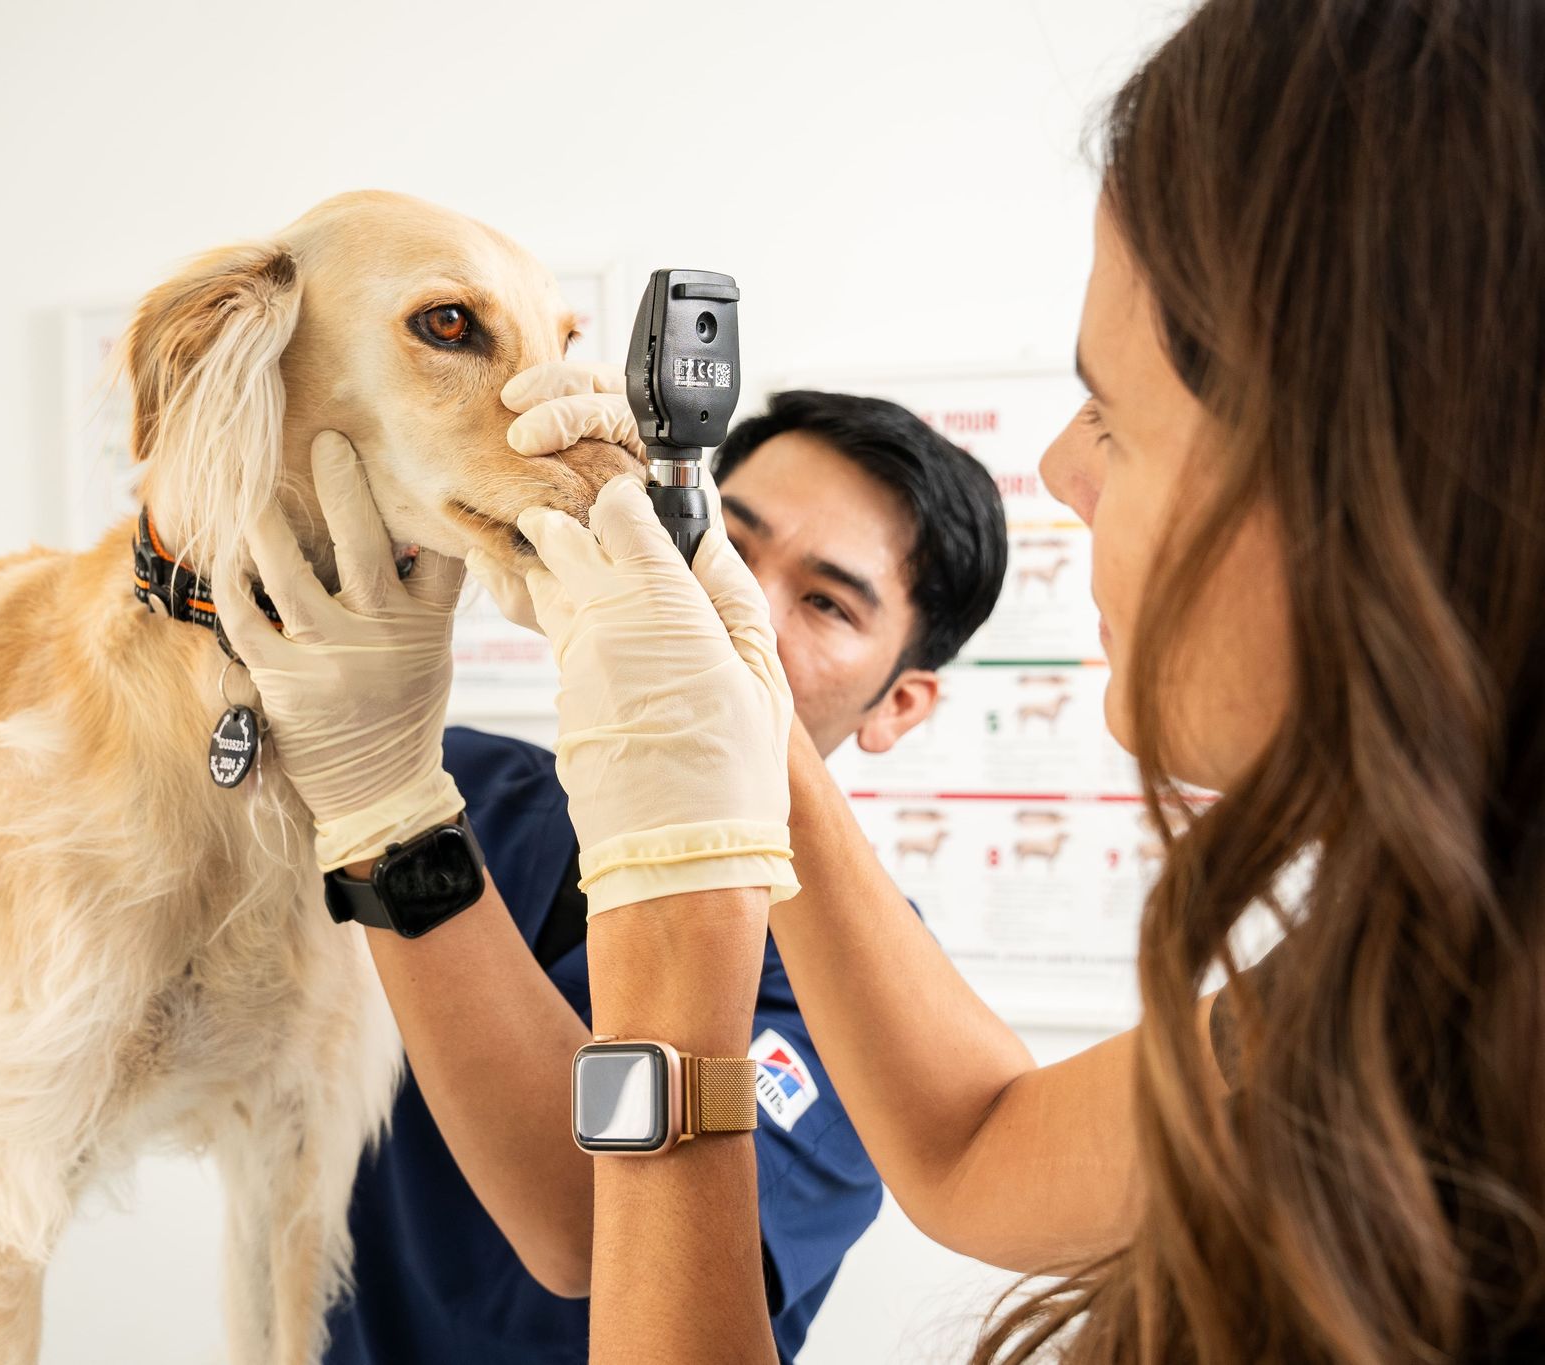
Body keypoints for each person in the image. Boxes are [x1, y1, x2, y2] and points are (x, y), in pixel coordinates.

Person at [237, 0, 1545, 1359]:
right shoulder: (1406, 988)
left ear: (1370, 466)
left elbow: (581, 1231)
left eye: (1114, 413)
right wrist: (740, 738)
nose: (1067, 472)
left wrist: (660, 878)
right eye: (733, 553)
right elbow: (980, 1145)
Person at [217, 388, 1004, 1363]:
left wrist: (393, 820)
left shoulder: (870, 999)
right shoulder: (458, 779)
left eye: (825, 603)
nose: (727, 604)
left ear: (898, 707)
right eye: (718, 540)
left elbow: (587, 1229)